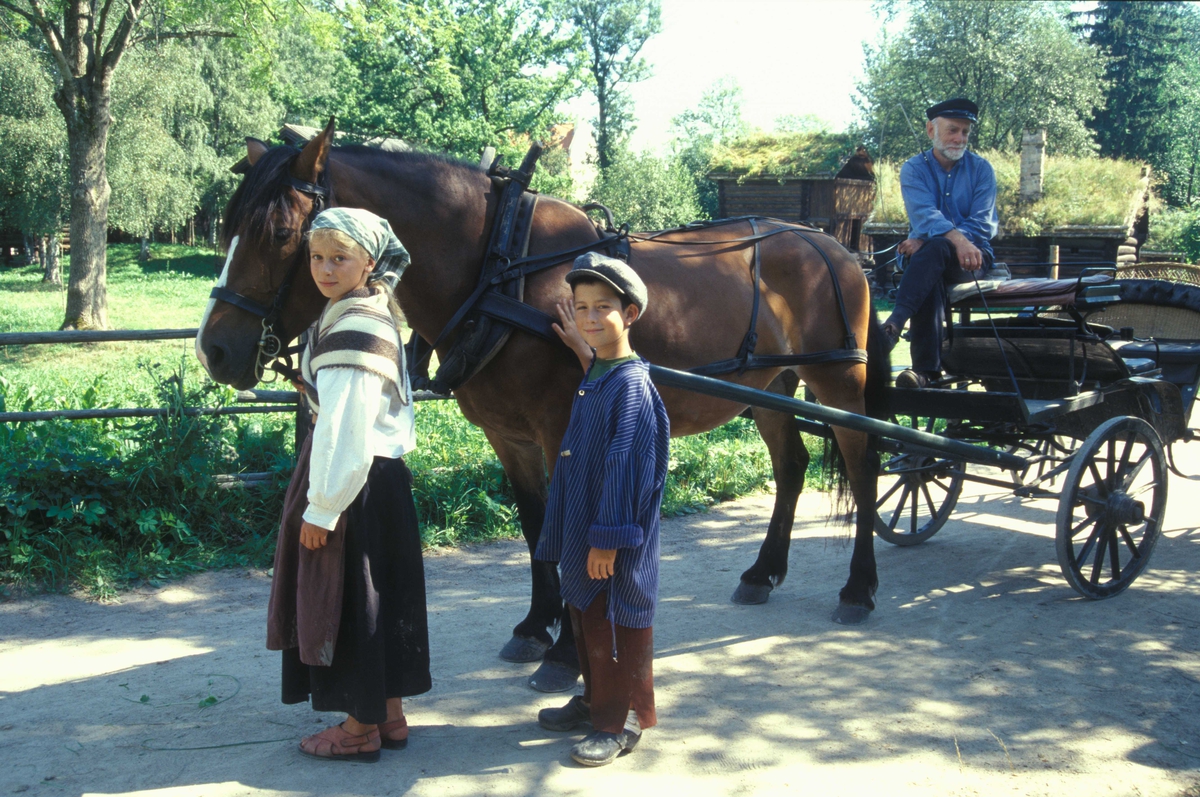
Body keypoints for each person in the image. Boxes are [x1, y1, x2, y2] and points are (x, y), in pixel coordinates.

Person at [266, 207, 430, 763]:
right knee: (380, 594)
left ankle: (358, 729)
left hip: (353, 483)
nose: (325, 268)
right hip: (380, 481)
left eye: (340, 257)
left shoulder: (356, 321)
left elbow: (345, 424)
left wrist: (322, 508)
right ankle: (387, 714)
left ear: (369, 260)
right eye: (317, 256)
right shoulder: (369, 307)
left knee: (351, 602)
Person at [534, 252, 670, 767]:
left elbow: (625, 467)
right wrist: (580, 348)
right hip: (585, 532)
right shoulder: (601, 372)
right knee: (586, 613)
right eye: (581, 307)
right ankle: (595, 701)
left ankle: (621, 722)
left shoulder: (631, 386)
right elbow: (599, 361)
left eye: (603, 309)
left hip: (612, 538)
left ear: (630, 314)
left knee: (616, 619)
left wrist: (607, 538)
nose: (590, 318)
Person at [882, 97, 1000, 388]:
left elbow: (983, 223)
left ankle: (894, 326)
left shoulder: (982, 170)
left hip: (972, 259)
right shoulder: (913, 169)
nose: (960, 138)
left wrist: (951, 242)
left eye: (965, 132)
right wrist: (941, 240)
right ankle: (927, 373)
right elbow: (923, 214)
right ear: (930, 131)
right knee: (931, 267)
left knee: (932, 251)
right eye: (953, 130)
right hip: (928, 258)